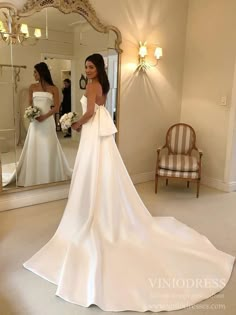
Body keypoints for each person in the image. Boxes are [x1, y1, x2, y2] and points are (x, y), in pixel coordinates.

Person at [23, 54, 234, 312]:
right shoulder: (102, 85)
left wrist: (75, 123)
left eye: (91, 66)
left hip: (92, 133)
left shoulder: (91, 85)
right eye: (87, 67)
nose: (88, 70)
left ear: (97, 68)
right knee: (102, 171)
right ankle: (101, 206)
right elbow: (97, 109)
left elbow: (90, 113)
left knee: (91, 170)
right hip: (101, 135)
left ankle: (93, 211)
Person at [3, 62, 72, 187]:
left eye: (35, 72)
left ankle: (50, 174)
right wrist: (33, 114)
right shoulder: (32, 87)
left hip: (47, 121)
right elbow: (30, 105)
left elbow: (56, 108)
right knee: (34, 146)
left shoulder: (53, 88)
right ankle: (33, 175)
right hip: (35, 122)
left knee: (48, 146)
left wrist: (44, 117)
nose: (34, 74)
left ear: (41, 72)